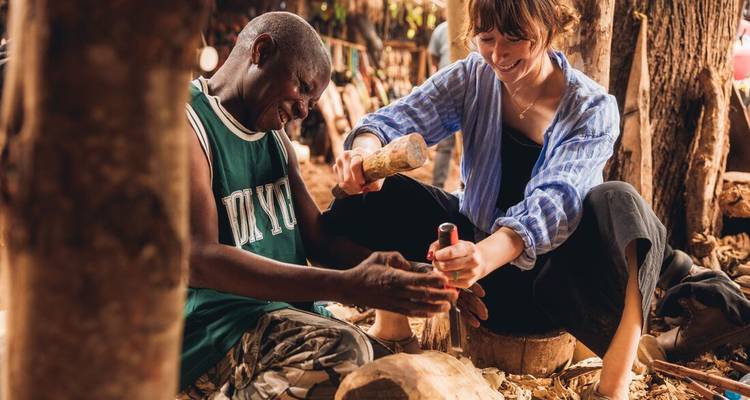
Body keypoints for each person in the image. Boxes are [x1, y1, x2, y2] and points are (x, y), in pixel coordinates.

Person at [322, 1, 750, 399]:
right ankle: (393, 329)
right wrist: (364, 151)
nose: (497, 54)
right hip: (480, 269)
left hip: (549, 285)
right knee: (374, 193)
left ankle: (614, 381)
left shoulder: (592, 108)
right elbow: (397, 118)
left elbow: (555, 202)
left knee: (619, 200)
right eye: (486, 38)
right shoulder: (473, 75)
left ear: (548, 29)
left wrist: (481, 258)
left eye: (514, 37)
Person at [178, 12, 468, 400]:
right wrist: (348, 286)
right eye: (301, 89)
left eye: (312, 103)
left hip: (282, 318)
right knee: (347, 355)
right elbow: (200, 258)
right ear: (261, 52)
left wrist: (416, 273)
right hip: (215, 331)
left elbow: (318, 239)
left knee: (391, 374)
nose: (302, 111)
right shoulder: (188, 125)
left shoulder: (276, 140)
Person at [427, 19, 456, 189]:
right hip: (450, 89)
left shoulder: (440, 29)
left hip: (447, 89)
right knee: (447, 144)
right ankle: (439, 187)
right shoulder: (442, 29)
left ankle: (438, 187)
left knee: (446, 145)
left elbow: (433, 57)